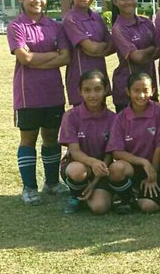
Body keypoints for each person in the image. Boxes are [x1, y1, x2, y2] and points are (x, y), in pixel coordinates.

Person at [8, 0, 71, 205]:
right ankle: (29, 188)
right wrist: (48, 58)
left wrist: (35, 59)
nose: (37, 0)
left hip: (53, 91)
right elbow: (23, 58)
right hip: (28, 94)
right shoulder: (16, 26)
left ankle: (52, 183)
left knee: (51, 138)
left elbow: (66, 56)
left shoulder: (56, 26)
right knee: (28, 139)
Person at [106, 72, 160, 214]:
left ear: (153, 91)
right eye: (136, 91)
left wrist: (152, 173)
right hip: (135, 166)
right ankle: (128, 198)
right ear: (128, 92)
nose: (141, 95)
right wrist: (143, 162)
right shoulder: (121, 117)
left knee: (148, 207)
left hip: (155, 167)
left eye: (145, 90)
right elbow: (117, 151)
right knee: (116, 169)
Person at [59, 70, 115, 214]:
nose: (92, 95)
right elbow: (74, 151)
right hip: (79, 166)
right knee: (77, 171)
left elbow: (110, 153)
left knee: (99, 208)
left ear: (106, 90)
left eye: (98, 89)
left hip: (102, 169)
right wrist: (93, 163)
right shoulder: (70, 116)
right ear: (80, 92)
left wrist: (96, 181)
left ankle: (97, 190)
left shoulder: (113, 118)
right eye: (87, 90)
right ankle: (75, 195)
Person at [63, 0, 114, 106]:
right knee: (82, 119)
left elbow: (112, 45)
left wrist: (99, 49)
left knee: (101, 118)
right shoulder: (70, 19)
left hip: (100, 76)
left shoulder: (97, 17)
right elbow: (91, 47)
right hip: (80, 77)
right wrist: (100, 46)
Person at [109, 0, 158, 112]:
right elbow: (137, 57)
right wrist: (152, 49)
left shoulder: (147, 23)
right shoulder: (118, 28)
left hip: (149, 86)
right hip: (127, 90)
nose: (129, 2)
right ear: (115, 1)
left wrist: (150, 51)